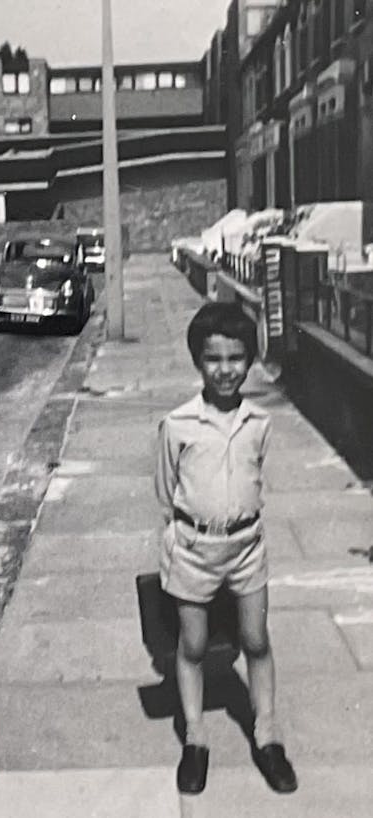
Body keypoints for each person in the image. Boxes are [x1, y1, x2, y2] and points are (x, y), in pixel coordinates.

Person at [154, 301, 297, 795]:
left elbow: (256, 474)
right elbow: (165, 492)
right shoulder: (177, 425)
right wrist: (184, 539)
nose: (225, 370)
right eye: (213, 359)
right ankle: (195, 739)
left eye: (236, 358)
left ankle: (267, 735)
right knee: (192, 645)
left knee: (255, 640)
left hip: (246, 547)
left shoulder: (259, 421)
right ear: (198, 361)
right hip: (194, 549)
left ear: (251, 360)